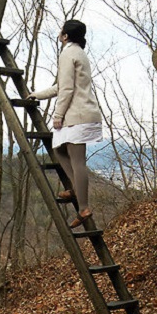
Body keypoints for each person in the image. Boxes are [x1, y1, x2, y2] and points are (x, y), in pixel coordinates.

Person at [28, 19, 102, 229]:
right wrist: (37, 95)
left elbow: (66, 90)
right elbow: (61, 86)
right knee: (59, 150)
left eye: (61, 30)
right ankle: (76, 190)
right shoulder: (78, 52)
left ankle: (84, 207)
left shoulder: (68, 53)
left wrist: (58, 115)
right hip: (82, 114)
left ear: (66, 35)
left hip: (77, 116)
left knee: (78, 161)